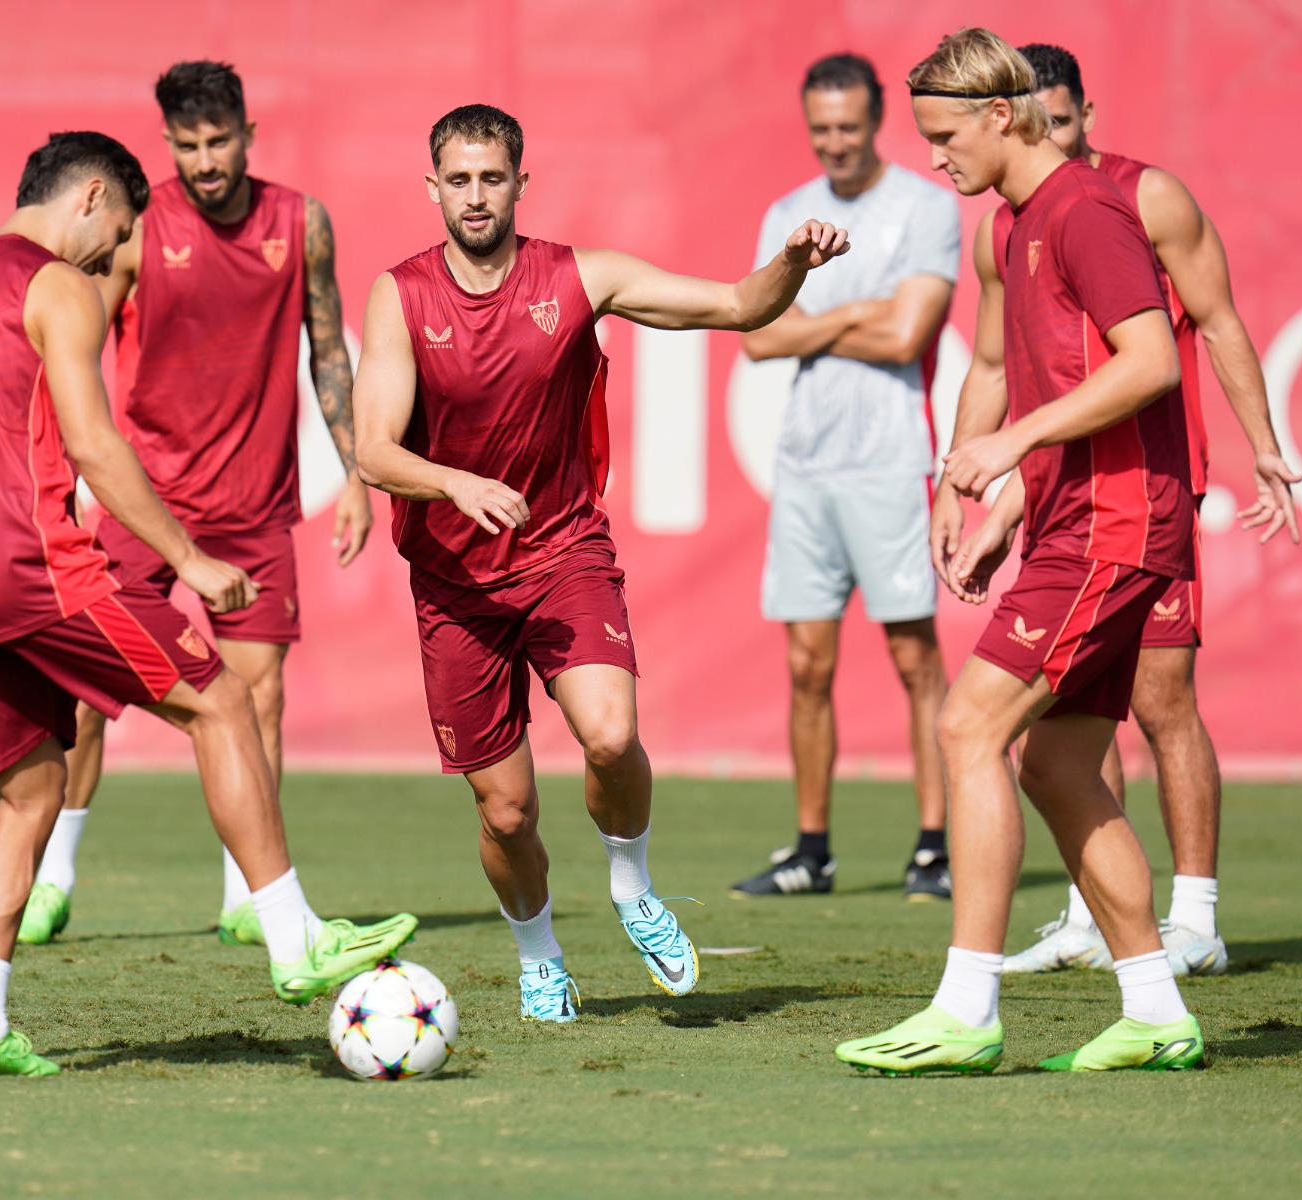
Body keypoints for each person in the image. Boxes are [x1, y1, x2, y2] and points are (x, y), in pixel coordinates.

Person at [0, 132, 414, 1079]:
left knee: (28, 794)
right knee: (222, 699)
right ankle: (292, 939)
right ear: (93, 196)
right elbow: (98, 450)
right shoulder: (54, 283)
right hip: (40, 575)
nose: (117, 253)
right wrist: (187, 559)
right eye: (119, 230)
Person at [354, 104, 847, 1021]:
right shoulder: (401, 294)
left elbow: (739, 306)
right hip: (455, 588)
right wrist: (454, 483)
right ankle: (539, 952)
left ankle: (632, 885)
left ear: (519, 185)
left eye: (491, 179)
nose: (474, 196)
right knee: (505, 814)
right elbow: (373, 450)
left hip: (561, 550)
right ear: (432, 188)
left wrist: (795, 261)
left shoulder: (578, 278)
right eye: (457, 180)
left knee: (612, 735)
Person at [836, 29, 1203, 1075]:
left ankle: (964, 1006)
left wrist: (1011, 448)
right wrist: (995, 496)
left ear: (1001, 116)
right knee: (1049, 762)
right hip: (1077, 519)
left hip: (1117, 524)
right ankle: (1154, 1007)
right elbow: (1017, 371)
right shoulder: (1013, 224)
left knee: (965, 727)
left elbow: (1149, 367)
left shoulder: (1086, 210)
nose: (934, 157)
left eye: (945, 136)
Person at [18, 61, 371, 948]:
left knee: (258, 702)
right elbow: (72, 349)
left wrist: (359, 476)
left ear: (249, 134)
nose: (207, 160)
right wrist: (68, 474)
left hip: (254, 508)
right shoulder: (138, 234)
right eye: (189, 145)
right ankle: (53, 876)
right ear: (169, 144)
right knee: (89, 694)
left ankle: (247, 896)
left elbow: (329, 351)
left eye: (220, 141)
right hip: (147, 503)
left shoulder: (302, 223)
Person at [996, 42, 1300, 977]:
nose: (1052, 136)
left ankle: (1197, 919)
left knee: (1159, 698)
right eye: (1035, 120)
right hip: (1057, 494)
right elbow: (986, 363)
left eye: (1065, 118)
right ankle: (1097, 919)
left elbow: (1215, 321)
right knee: (1071, 712)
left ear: (1085, 111)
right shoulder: (1008, 220)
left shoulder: (1143, 197)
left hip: (1145, 489)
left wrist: (1264, 447)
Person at [733, 53, 958, 902]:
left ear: (875, 123)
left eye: (849, 127)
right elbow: (756, 334)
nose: (835, 143)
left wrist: (819, 321)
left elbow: (909, 337)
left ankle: (934, 844)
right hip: (806, 463)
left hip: (892, 457)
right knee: (806, 664)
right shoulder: (789, 213)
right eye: (821, 128)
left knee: (912, 657)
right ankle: (811, 850)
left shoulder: (925, 209)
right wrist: (866, 310)